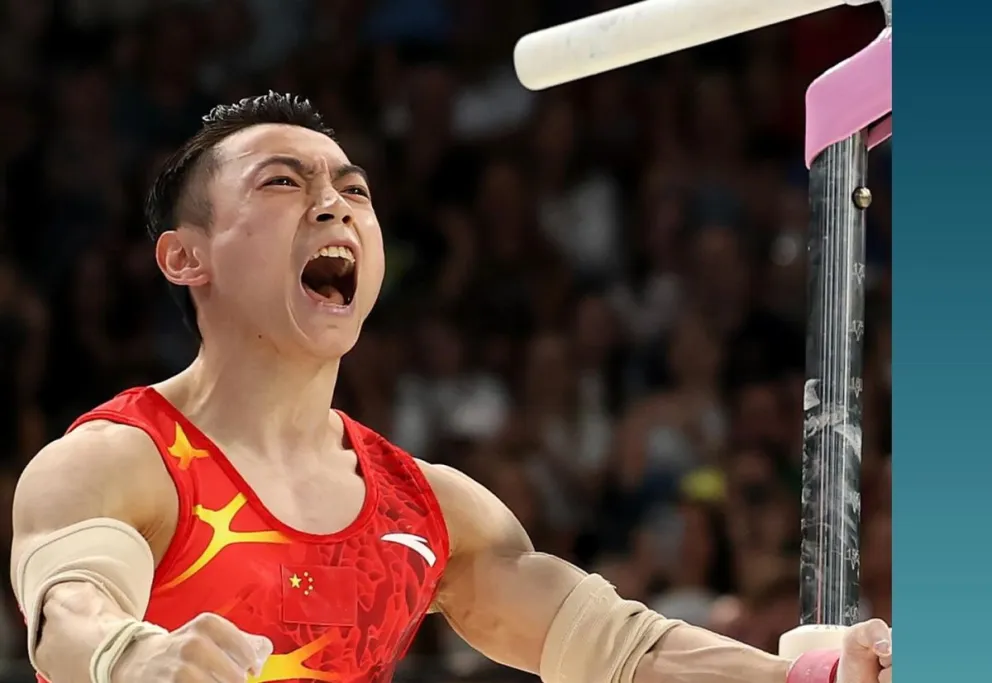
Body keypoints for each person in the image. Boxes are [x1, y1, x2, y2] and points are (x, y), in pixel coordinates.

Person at [9, 93, 892, 683]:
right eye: (284, 182)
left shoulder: (429, 510)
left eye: (355, 190)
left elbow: (620, 648)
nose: (336, 204)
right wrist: (136, 659)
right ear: (184, 255)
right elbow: (67, 611)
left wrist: (806, 674)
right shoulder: (117, 462)